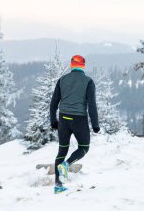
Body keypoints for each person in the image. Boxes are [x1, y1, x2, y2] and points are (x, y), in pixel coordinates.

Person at [50, 54, 100, 194]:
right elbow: (92, 105)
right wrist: (95, 124)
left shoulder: (62, 80)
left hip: (63, 119)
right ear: (83, 66)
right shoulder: (88, 81)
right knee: (83, 147)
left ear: (72, 65)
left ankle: (58, 185)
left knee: (62, 150)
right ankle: (66, 164)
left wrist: (53, 121)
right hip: (79, 120)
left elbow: (54, 103)